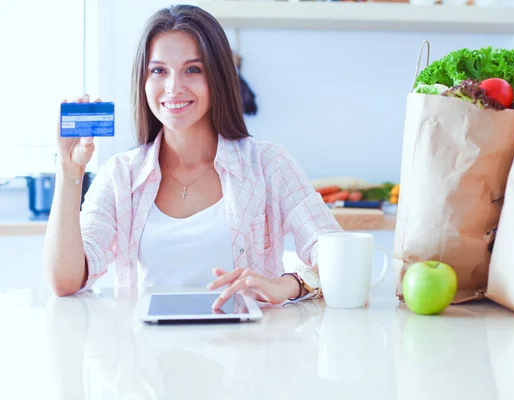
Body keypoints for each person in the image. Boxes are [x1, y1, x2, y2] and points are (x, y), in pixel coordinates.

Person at [43, 4, 342, 308]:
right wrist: (70, 171)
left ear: (218, 78)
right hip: (145, 352)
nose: (174, 87)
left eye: (193, 70)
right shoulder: (120, 176)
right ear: (143, 82)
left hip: (248, 349)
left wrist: (289, 284)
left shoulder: (268, 165)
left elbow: (339, 257)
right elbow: (65, 281)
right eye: (159, 71)